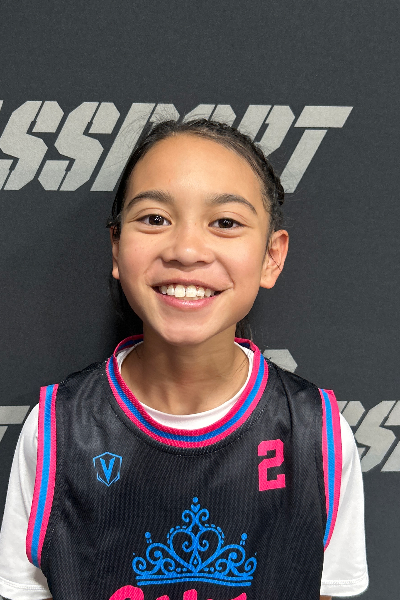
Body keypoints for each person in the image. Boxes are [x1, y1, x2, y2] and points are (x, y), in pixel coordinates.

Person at [0, 119, 368, 600]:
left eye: (225, 223)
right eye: (155, 219)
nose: (187, 250)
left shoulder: (316, 434)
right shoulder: (57, 429)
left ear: (272, 257)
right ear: (116, 247)